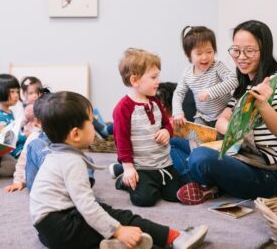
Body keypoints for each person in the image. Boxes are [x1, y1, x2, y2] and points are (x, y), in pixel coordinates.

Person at [30, 91, 208, 249]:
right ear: (75, 134)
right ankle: (174, 238)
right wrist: (119, 230)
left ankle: (109, 243)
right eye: (91, 123)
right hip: (63, 227)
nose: (95, 128)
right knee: (122, 218)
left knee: (103, 212)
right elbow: (87, 207)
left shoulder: (55, 155)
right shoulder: (71, 161)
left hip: (47, 231)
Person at [172, 20, 277, 204]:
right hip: (237, 154)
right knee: (174, 140)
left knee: (200, 156)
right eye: (236, 50)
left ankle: (200, 181)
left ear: (265, 50)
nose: (241, 57)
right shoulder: (244, 85)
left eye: (249, 51)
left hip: (266, 173)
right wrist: (236, 131)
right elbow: (222, 120)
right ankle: (206, 184)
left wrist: (262, 105)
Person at [111, 48, 184, 207]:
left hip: (164, 164)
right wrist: (129, 168)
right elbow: (121, 141)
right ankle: (124, 179)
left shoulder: (155, 101)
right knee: (144, 200)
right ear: (135, 81)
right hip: (141, 167)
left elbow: (166, 124)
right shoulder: (123, 108)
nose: (159, 81)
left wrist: (166, 131)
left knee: (176, 194)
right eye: (153, 77)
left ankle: (154, 183)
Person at [5, 93, 96, 192]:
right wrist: (18, 181)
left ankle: (80, 188)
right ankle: (61, 184)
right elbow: (22, 161)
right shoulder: (35, 138)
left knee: (87, 159)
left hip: (66, 179)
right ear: (38, 123)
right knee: (36, 145)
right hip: (41, 183)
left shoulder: (66, 137)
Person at [172, 26, 238, 128]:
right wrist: (177, 112)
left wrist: (210, 92)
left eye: (209, 52)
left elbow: (234, 80)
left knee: (221, 140)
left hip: (224, 115)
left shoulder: (217, 66)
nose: (205, 57)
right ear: (188, 55)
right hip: (202, 117)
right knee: (195, 140)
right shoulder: (187, 73)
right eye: (199, 53)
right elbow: (178, 93)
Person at [0, 74, 27, 158]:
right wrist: (25, 136)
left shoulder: (8, 111)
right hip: (12, 153)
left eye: (17, 91)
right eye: (12, 92)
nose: (16, 95)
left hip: (18, 148)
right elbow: (9, 140)